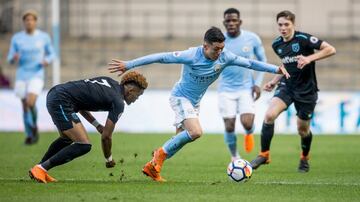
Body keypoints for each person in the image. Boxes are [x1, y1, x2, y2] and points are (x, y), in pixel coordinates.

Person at [108, 27, 290, 182]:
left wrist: (276, 69)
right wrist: (129, 64)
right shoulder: (191, 55)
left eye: (221, 48)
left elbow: (250, 63)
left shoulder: (225, 57)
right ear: (205, 46)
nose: (219, 52)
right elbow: (161, 57)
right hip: (180, 97)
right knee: (196, 132)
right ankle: (158, 156)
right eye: (216, 49)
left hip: (194, 102)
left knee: (178, 141)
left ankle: (153, 167)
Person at [250, 10, 336, 172]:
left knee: (302, 130)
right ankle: (264, 154)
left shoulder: (303, 39)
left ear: (293, 25)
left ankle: (304, 157)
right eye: (280, 25)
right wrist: (274, 81)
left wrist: (309, 58)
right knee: (269, 115)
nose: (283, 28)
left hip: (307, 91)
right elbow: (287, 66)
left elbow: (331, 49)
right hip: (287, 87)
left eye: (286, 24)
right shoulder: (277, 44)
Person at [28, 72, 148, 183]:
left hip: (58, 94)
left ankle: (39, 169)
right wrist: (109, 159)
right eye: (139, 94)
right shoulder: (118, 102)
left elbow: (80, 102)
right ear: (131, 90)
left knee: (66, 138)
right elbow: (106, 137)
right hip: (61, 100)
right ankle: (41, 168)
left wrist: (96, 125)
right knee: (83, 145)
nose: (137, 98)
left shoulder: (109, 82)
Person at [218, 8, 267, 160]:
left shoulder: (252, 39)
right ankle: (235, 157)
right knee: (229, 126)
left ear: (240, 22)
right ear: (224, 23)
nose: (231, 23)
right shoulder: (220, 41)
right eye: (228, 21)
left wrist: (257, 83)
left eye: (234, 20)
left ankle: (249, 132)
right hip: (225, 89)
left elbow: (262, 61)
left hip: (246, 88)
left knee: (247, 123)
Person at [7, 10, 56, 144]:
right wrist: (14, 58)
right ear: (24, 22)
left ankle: (33, 125)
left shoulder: (43, 37)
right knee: (24, 106)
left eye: (31, 20)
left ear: (35, 21)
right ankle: (29, 134)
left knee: (30, 102)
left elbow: (52, 54)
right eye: (26, 20)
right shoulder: (17, 38)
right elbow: (10, 58)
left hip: (37, 74)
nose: (29, 22)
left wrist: (46, 60)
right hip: (22, 75)